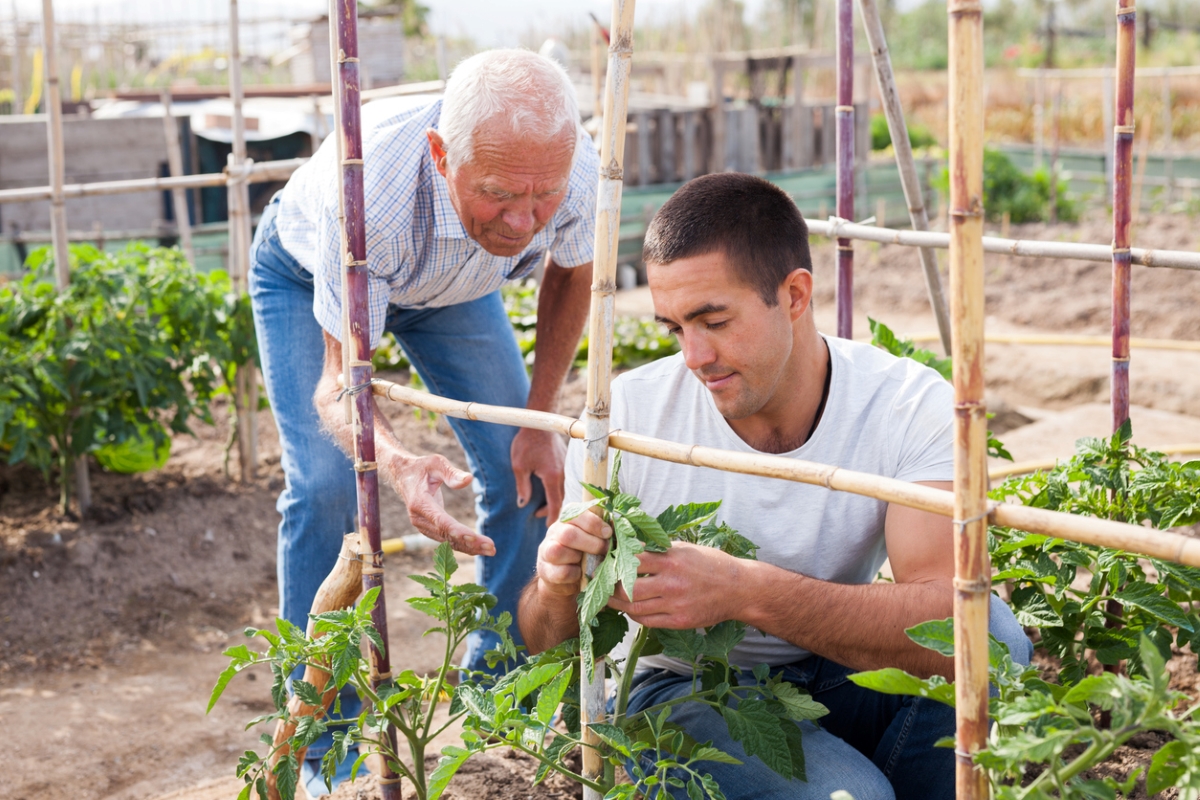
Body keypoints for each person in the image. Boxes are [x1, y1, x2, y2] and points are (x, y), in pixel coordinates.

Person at [517, 173, 1032, 800]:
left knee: (995, 636)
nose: (695, 356)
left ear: (794, 294)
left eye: (714, 320)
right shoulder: (627, 417)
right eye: (675, 327)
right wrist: (554, 586)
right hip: (689, 688)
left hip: (836, 668)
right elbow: (545, 637)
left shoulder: (904, 405)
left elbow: (953, 616)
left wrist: (742, 590)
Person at [249, 49, 596, 795]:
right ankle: (321, 748)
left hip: (451, 288)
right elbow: (339, 390)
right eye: (500, 193)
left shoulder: (570, 162)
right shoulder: (368, 192)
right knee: (326, 488)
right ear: (443, 154)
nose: (524, 219)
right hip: (310, 269)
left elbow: (572, 268)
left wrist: (540, 416)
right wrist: (400, 462)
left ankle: (493, 695)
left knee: (526, 466)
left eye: (543, 197)